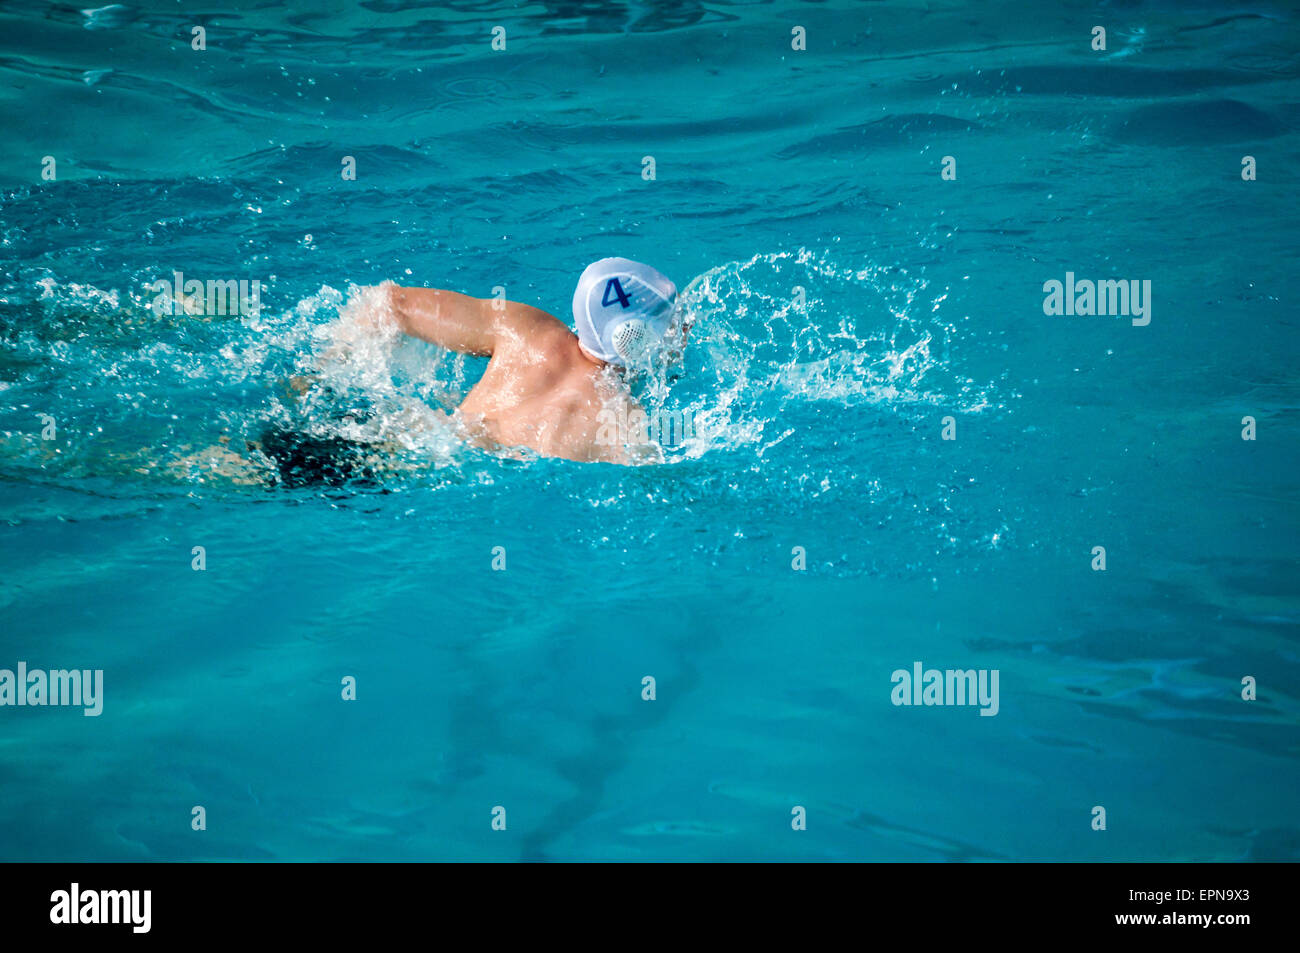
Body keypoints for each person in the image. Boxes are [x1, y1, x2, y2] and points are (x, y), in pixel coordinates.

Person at [368, 257, 684, 465]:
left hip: (393, 437)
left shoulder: (526, 329)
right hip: (429, 474)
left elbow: (390, 304)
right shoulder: (623, 421)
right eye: (671, 323)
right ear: (633, 337)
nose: (683, 331)